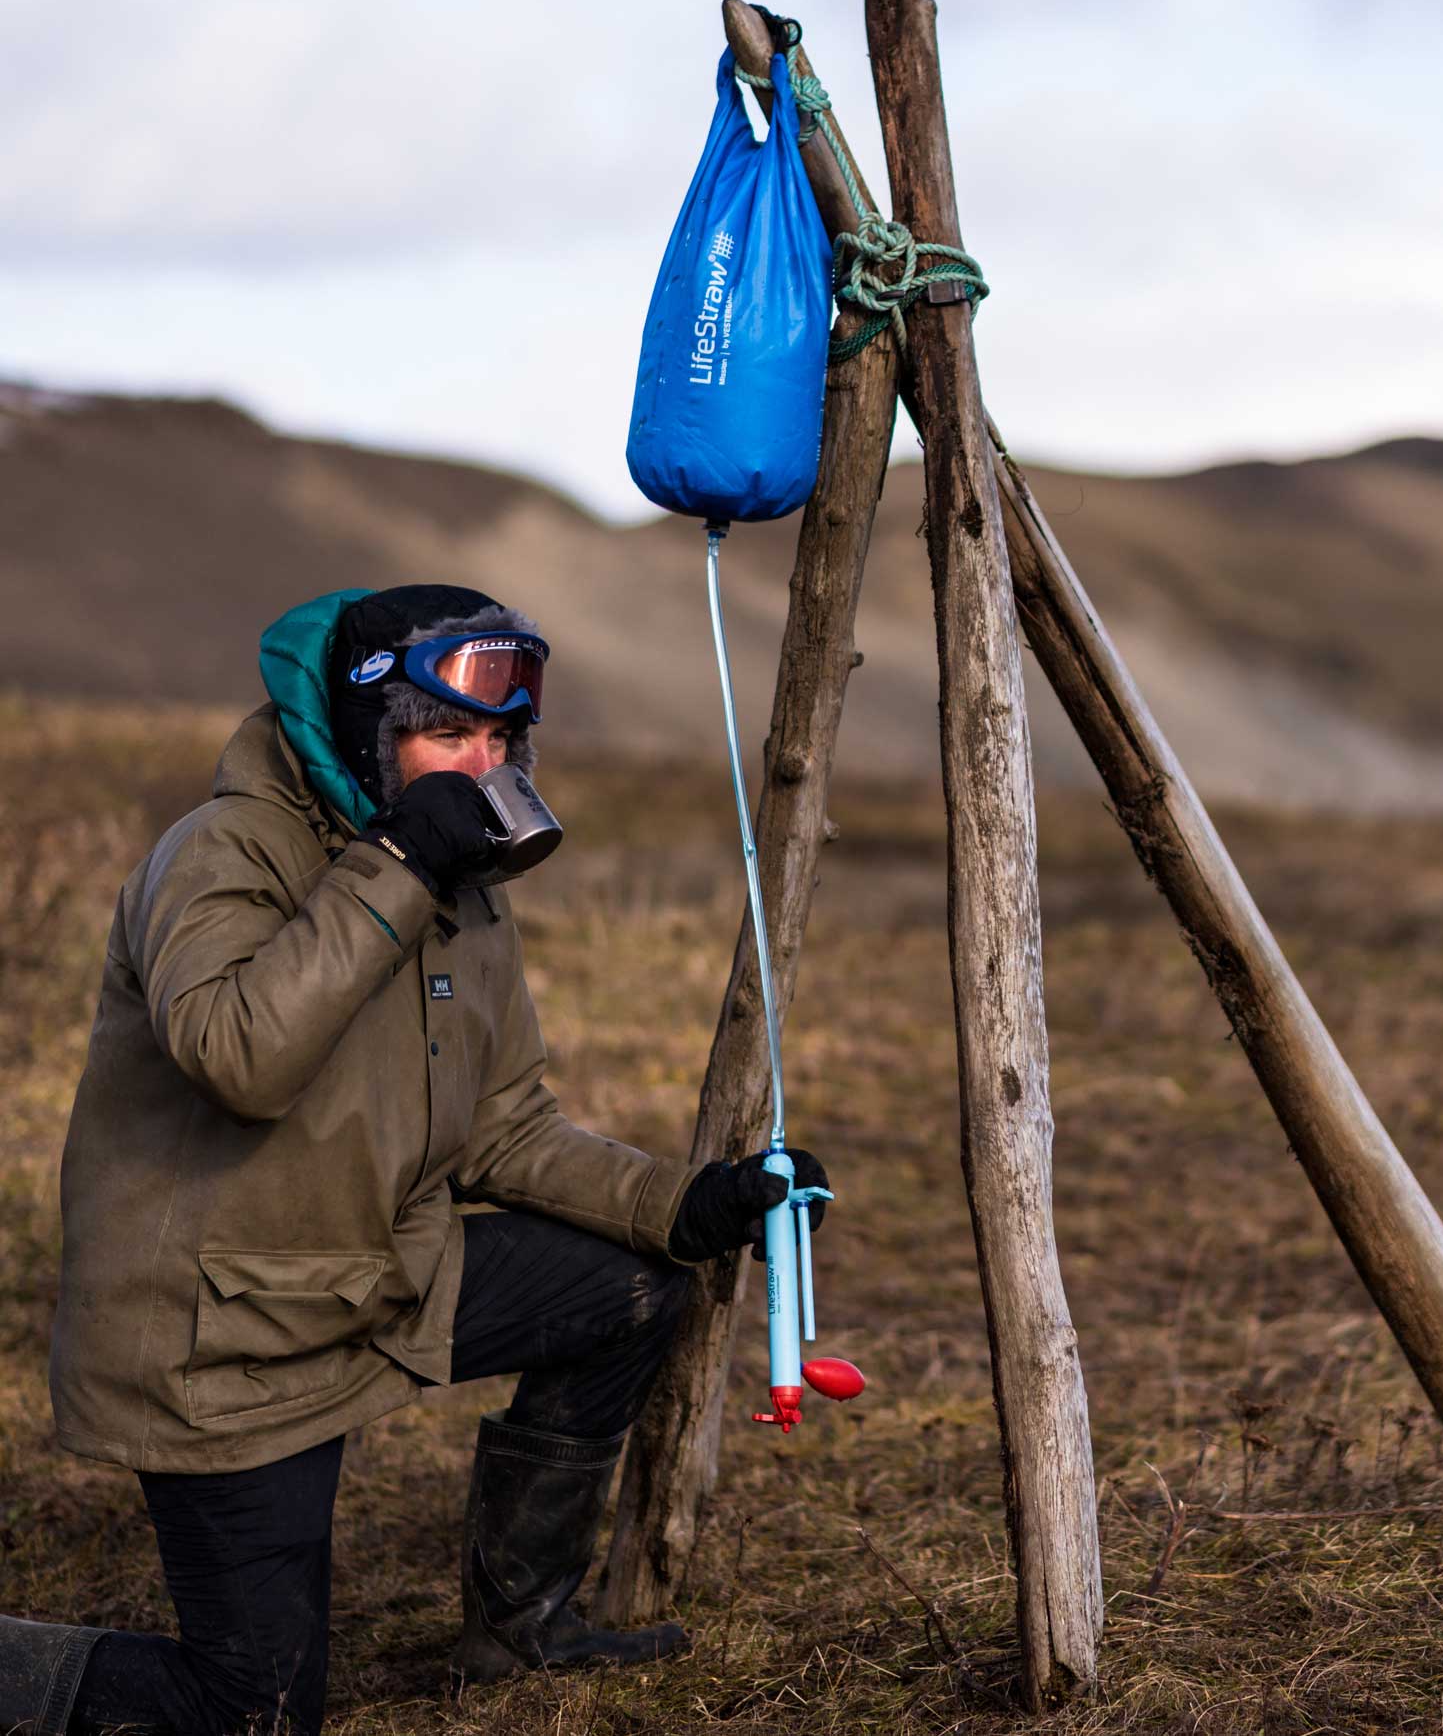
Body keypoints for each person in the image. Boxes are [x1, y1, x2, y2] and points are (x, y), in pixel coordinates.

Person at [1, 584, 828, 1736]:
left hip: (378, 1283)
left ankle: (521, 1633)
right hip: (225, 1341)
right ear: (363, 733)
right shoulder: (221, 854)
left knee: (633, 1287)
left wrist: (684, 1206)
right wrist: (395, 865)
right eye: (448, 735)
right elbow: (240, 1059)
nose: (481, 767)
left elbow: (505, 1129)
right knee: (258, 1712)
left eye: (498, 740)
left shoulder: (458, 886)